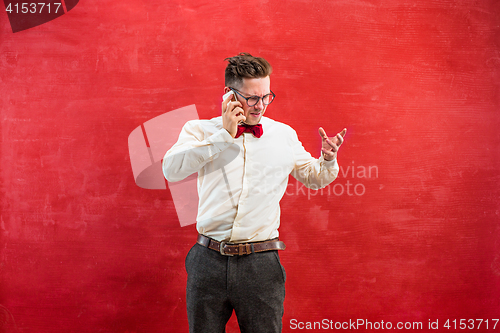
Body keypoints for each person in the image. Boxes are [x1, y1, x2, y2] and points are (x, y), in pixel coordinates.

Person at [162, 53, 346, 333]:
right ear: (229, 94)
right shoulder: (199, 131)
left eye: (266, 97)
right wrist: (223, 135)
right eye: (251, 98)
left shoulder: (283, 135)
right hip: (207, 261)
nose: (260, 106)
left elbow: (314, 177)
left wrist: (328, 159)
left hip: (261, 264)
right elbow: (171, 170)